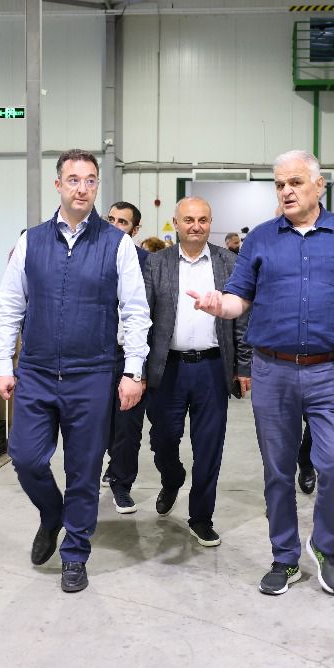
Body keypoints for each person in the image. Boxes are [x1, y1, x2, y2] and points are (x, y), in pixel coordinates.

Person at [189, 150, 334, 597]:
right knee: (277, 470)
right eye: (279, 185)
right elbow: (238, 298)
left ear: (319, 185)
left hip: (331, 370)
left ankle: (325, 546)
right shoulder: (260, 238)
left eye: (295, 182)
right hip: (272, 371)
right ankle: (284, 556)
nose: (286, 191)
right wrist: (219, 304)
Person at [0, 150, 151, 593]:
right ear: (58, 185)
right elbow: (10, 305)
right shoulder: (31, 241)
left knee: (84, 470)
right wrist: (3, 364)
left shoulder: (117, 244)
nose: (82, 188)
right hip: (37, 371)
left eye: (90, 180)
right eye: (74, 179)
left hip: (93, 374)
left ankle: (75, 553)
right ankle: (51, 514)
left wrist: (133, 371)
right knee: (26, 457)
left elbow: (135, 312)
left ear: (97, 185)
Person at [143, 197, 250, 546]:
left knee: (209, 446)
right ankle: (172, 477)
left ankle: (201, 517)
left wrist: (243, 366)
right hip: (167, 369)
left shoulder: (229, 262)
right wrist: (136, 370)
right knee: (162, 440)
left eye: (203, 220)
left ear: (210, 223)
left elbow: (241, 319)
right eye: (188, 219)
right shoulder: (156, 263)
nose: (196, 226)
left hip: (212, 368)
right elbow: (141, 317)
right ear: (175, 223)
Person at [103, 201, 149, 513]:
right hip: (96, 354)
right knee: (99, 423)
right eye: (111, 219)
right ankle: (107, 468)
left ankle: (122, 485)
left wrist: (141, 366)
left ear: (135, 229)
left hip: (130, 355)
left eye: (123, 222)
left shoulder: (147, 263)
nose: (115, 226)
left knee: (128, 425)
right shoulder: (93, 256)